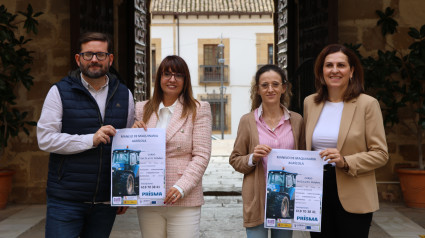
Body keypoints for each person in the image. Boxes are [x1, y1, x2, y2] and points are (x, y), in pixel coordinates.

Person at [37, 32, 134, 238]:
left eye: (100, 55)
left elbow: (126, 147)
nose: (94, 60)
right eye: (88, 54)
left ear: (110, 59)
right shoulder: (59, 91)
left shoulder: (125, 95)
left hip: (104, 202)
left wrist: (124, 195)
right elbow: (45, 138)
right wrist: (90, 139)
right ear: (78, 59)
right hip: (66, 200)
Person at [304, 44, 389, 238]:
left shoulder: (368, 104)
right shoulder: (310, 103)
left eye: (341, 65)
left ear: (351, 71)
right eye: (329, 65)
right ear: (321, 72)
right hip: (316, 192)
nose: (334, 70)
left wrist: (345, 161)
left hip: (354, 191)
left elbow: (381, 154)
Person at [132, 55, 212, 238]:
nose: (172, 79)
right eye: (167, 74)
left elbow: (201, 155)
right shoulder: (141, 109)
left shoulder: (199, 109)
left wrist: (181, 187)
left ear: (185, 80)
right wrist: (133, 133)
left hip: (184, 198)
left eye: (178, 75)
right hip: (148, 196)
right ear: (159, 78)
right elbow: (132, 152)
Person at [229, 64, 305, 238]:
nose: (270, 89)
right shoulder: (247, 121)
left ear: (283, 88)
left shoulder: (297, 121)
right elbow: (235, 159)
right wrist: (252, 158)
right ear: (257, 90)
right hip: (257, 199)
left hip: (286, 199)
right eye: (264, 85)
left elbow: (304, 158)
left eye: (275, 84)